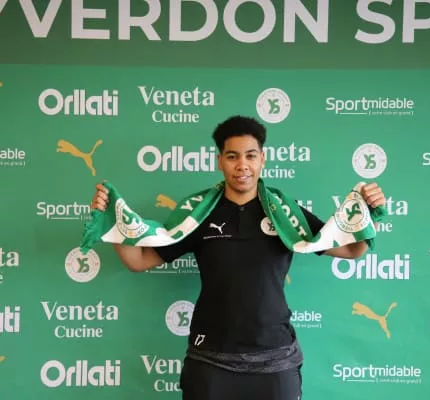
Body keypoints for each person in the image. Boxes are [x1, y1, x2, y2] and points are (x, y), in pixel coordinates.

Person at [90, 115, 386, 400]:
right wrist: (112, 221)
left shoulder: (286, 213)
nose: (242, 165)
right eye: (232, 156)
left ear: (262, 159)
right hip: (210, 361)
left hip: (276, 360)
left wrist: (367, 211)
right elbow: (138, 260)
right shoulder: (198, 213)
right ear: (219, 161)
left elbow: (352, 250)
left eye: (250, 156)